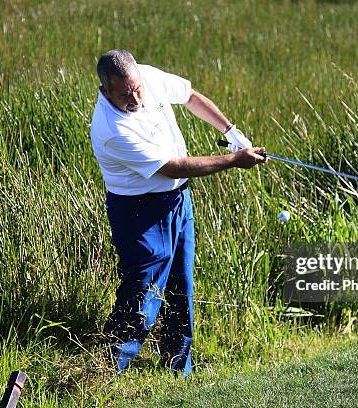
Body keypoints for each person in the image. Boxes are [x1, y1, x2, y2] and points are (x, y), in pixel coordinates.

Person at [89, 49, 266, 378]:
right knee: (142, 291)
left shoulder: (145, 76)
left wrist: (230, 132)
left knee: (180, 286)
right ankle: (107, 370)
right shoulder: (111, 129)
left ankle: (177, 368)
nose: (135, 97)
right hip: (138, 213)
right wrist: (233, 160)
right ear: (106, 91)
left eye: (137, 88)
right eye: (125, 94)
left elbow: (189, 96)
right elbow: (172, 167)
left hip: (177, 202)